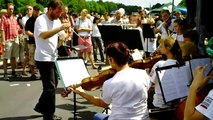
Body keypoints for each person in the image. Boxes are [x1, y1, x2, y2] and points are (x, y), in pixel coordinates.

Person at [71, 42, 151, 120]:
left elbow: (101, 103)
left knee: (97, 116)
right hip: (143, 118)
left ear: (112, 59)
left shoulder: (110, 83)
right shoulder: (143, 74)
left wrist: (82, 93)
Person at [33, 0, 69, 120]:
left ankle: (40, 105)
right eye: (57, 12)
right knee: (50, 88)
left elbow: (61, 35)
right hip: (43, 57)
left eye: (60, 12)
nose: (59, 15)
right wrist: (60, 29)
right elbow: (43, 35)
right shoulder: (41, 20)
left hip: (53, 56)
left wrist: (64, 35)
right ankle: (49, 115)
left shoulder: (57, 20)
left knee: (53, 85)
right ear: (50, 9)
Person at [149, 36, 184, 109]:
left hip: (159, 105)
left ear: (168, 49)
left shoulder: (160, 64)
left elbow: (149, 84)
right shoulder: (182, 64)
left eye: (162, 46)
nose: (160, 48)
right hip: (176, 105)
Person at [0, 3, 22, 80]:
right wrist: (3, 40)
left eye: (12, 9)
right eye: (10, 9)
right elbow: (2, 29)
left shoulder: (14, 18)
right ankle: (5, 73)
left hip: (15, 39)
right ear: (7, 9)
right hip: (8, 39)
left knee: (14, 57)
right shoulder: (4, 17)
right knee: (6, 57)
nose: (11, 10)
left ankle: (13, 71)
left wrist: (18, 33)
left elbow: (17, 27)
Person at [25, 5, 40, 80]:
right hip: (32, 42)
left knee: (40, 59)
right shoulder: (29, 20)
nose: (37, 12)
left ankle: (41, 74)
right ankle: (33, 74)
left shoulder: (40, 19)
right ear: (33, 11)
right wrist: (34, 35)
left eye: (38, 11)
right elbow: (27, 31)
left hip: (40, 43)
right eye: (36, 10)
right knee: (32, 58)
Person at [20, 5, 33, 76]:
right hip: (27, 38)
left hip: (33, 38)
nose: (29, 10)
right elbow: (26, 26)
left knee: (32, 55)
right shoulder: (24, 18)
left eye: (30, 9)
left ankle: (31, 70)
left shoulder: (34, 18)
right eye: (27, 9)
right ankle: (23, 69)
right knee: (28, 55)